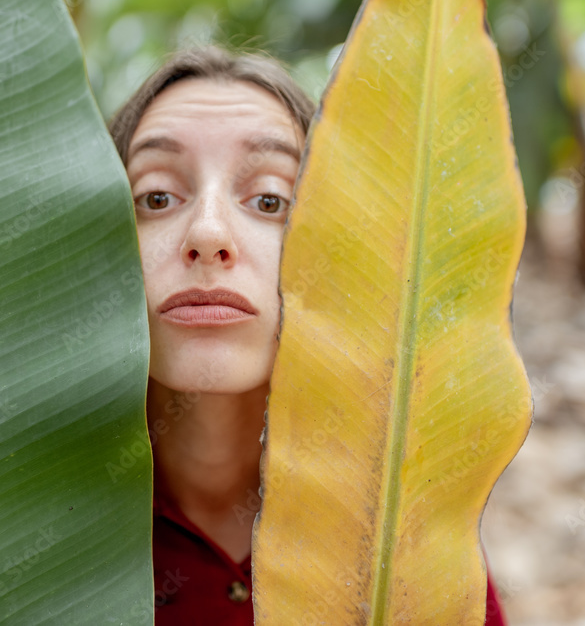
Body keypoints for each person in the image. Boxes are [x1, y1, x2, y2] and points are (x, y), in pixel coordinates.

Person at [107, 45, 506, 626]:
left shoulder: (393, 518)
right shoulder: (19, 531)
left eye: (270, 200)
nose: (209, 234)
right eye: (156, 197)